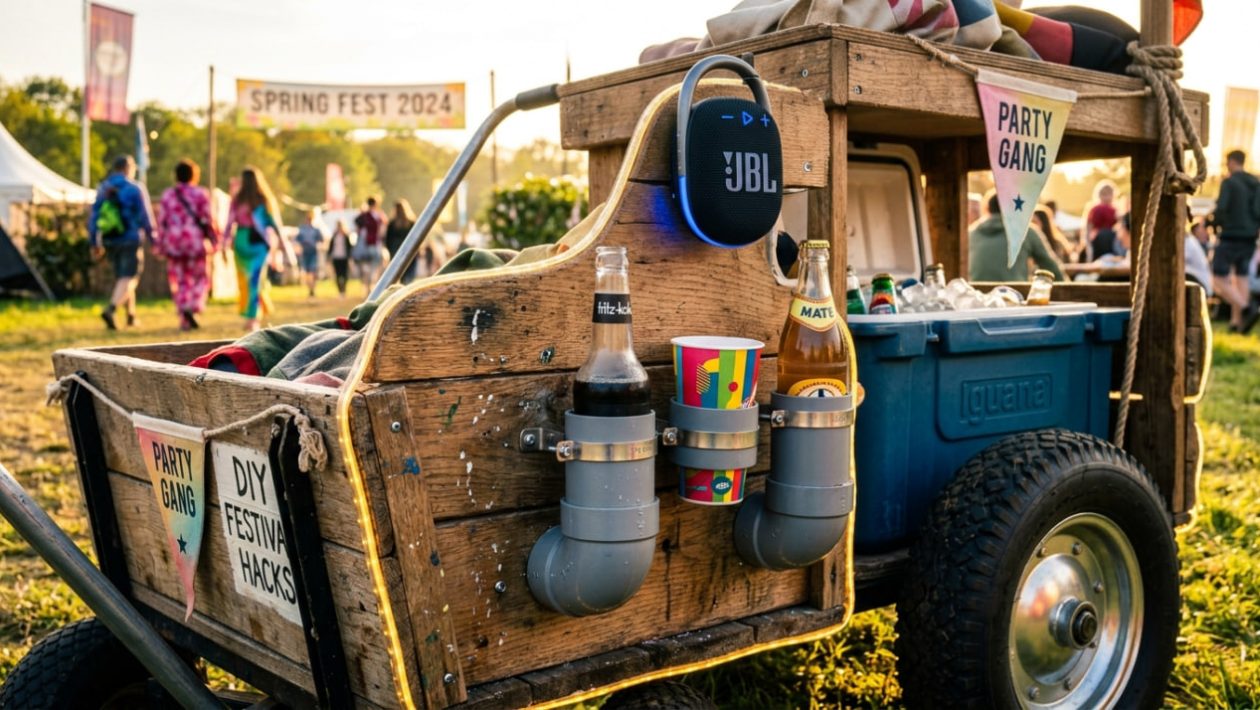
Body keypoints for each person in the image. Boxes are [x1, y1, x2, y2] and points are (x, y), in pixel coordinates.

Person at [88, 155, 156, 330]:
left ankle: (131, 316)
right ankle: (111, 309)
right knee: (130, 277)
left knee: (122, 277)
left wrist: (95, 241)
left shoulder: (104, 188)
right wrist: (153, 239)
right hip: (130, 238)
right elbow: (145, 216)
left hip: (110, 238)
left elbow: (94, 216)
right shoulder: (134, 188)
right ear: (128, 168)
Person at [156, 159, 218, 330]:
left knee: (180, 280)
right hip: (195, 242)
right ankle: (194, 305)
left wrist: (160, 244)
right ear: (194, 175)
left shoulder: (168, 195)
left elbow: (162, 222)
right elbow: (209, 219)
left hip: (175, 243)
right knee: (201, 277)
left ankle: (184, 312)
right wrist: (214, 239)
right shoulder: (200, 194)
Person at [223, 167, 282, 332]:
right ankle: (253, 316)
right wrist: (282, 242)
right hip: (259, 242)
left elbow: (229, 224)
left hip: (241, 240)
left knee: (245, 280)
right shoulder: (263, 199)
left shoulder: (237, 199)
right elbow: (273, 223)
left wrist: (224, 244)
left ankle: (253, 315)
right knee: (255, 280)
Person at [1211, 150, 1260, 332]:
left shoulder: (1229, 182)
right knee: (1241, 278)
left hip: (1231, 235)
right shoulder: (1255, 183)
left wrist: (1214, 222)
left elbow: (1222, 208)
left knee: (1217, 278)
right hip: (1249, 237)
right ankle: (1237, 324)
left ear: (1231, 162)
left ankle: (1247, 309)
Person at [969, 191, 1065, 282]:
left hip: (977, 295)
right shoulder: (1026, 231)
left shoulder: (971, 233)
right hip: (1014, 295)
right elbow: (1052, 269)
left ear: (988, 209)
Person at [353, 196, 386, 293]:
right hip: (374, 244)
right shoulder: (378, 215)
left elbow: (357, 226)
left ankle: (367, 286)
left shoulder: (363, 215)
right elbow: (382, 229)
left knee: (366, 266)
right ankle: (370, 286)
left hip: (364, 245)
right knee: (374, 266)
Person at [384, 199, 417, 284]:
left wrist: (390, 249)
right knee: (408, 271)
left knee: (397, 272)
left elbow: (387, 239)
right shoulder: (411, 223)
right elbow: (416, 237)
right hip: (409, 249)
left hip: (395, 250)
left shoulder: (392, 224)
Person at [1084, 180, 1119, 260]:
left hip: (1112, 241)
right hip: (1099, 240)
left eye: (1109, 194)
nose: (1107, 197)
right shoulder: (1094, 209)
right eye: (1104, 194)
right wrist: (1088, 245)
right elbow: (1088, 228)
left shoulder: (1115, 210)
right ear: (1099, 195)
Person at [294, 209, 325, 297]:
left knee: (312, 271)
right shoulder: (302, 229)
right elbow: (297, 239)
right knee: (307, 272)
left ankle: (313, 288)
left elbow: (321, 239)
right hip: (305, 252)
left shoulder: (316, 230)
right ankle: (310, 289)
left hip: (313, 252)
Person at [1185, 217, 1213, 297]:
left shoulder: (1189, 242)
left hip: (1201, 287)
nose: (1206, 233)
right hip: (1204, 285)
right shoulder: (1192, 241)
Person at [328, 219, 353, 297]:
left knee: (344, 274)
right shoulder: (334, 236)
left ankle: (344, 290)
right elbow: (331, 247)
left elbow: (349, 247)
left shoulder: (346, 236)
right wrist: (329, 256)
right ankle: (340, 290)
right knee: (338, 274)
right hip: (336, 257)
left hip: (344, 257)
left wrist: (350, 257)